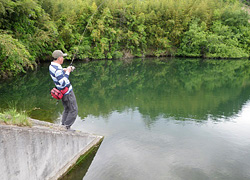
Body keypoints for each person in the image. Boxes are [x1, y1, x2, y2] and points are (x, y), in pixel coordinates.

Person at [49, 50, 78, 130]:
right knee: (74, 110)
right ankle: (66, 128)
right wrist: (68, 72)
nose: (63, 59)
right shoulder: (58, 70)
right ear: (59, 58)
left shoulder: (52, 66)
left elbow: (58, 74)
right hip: (67, 93)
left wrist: (64, 70)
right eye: (62, 57)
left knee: (67, 109)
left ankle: (63, 126)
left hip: (62, 93)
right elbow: (63, 82)